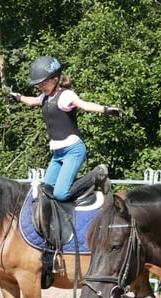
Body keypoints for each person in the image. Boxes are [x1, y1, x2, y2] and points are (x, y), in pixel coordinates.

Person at [9, 55, 124, 202]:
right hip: (58, 154)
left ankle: (98, 174)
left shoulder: (66, 96)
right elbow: (32, 101)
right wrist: (18, 97)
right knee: (46, 190)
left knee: (60, 193)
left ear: (55, 79)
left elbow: (85, 105)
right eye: (38, 85)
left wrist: (106, 109)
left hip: (73, 150)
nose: (40, 87)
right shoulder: (45, 97)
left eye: (43, 83)